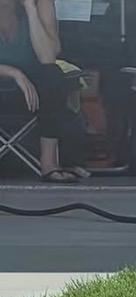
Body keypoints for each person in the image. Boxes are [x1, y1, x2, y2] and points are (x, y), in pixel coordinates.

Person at [0, 0, 86, 182]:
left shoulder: (41, 4)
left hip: (31, 92)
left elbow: (48, 56)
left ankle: (49, 163)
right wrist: (13, 73)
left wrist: (30, 9)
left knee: (52, 75)